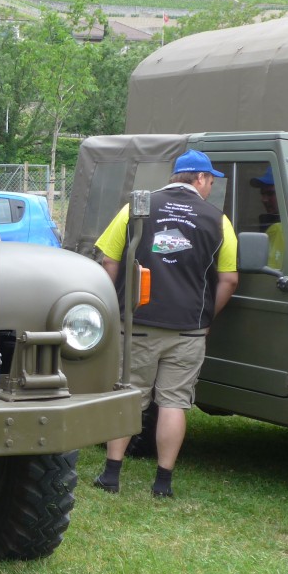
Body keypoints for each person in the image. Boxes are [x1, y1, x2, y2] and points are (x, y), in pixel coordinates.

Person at [92, 150, 240, 498]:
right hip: (188, 328)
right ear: (200, 178)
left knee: (129, 397)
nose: (210, 187)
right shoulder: (219, 221)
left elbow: (108, 261)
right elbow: (230, 279)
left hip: (139, 321)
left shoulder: (135, 207)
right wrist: (206, 319)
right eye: (210, 181)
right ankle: (162, 482)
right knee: (174, 402)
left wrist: (117, 307)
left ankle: (111, 475)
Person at [251, 166, 284, 270]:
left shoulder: (279, 229)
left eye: (270, 193)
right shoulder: (269, 224)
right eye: (263, 194)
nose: (264, 200)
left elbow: (270, 271)